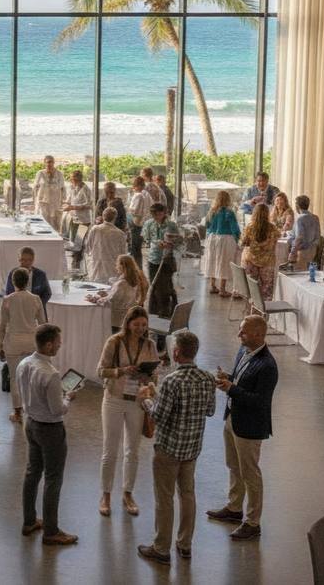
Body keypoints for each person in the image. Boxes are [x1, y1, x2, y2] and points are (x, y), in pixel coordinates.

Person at [135, 331, 217, 564]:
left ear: (176, 352)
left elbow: (159, 416)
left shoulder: (172, 381)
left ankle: (161, 548)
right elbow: (210, 410)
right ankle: (185, 544)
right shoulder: (207, 378)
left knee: (165, 498)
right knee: (188, 494)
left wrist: (146, 401)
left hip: (168, 449)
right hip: (192, 448)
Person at [208, 316, 278, 542]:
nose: (239, 336)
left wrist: (231, 388)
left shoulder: (268, 366)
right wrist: (227, 379)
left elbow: (260, 401)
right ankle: (235, 507)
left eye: (244, 333)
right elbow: (240, 380)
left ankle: (252, 522)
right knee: (233, 466)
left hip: (249, 425)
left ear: (259, 334)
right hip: (233, 418)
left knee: (250, 473)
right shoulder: (244, 351)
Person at [18, 324, 79, 546]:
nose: (60, 345)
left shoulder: (24, 363)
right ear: (49, 344)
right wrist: (68, 398)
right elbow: (57, 409)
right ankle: (51, 531)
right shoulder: (51, 374)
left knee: (32, 472)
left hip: (31, 423)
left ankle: (29, 520)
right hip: (50, 429)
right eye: (58, 342)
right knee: (53, 478)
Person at [97, 306, 160, 518]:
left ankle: (127, 493)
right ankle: (105, 495)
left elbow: (155, 377)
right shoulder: (114, 342)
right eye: (136, 325)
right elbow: (100, 371)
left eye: (144, 325)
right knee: (110, 450)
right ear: (128, 323)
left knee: (132, 450)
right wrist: (122, 371)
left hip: (137, 401)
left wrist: (148, 378)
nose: (140, 329)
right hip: (114, 399)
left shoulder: (150, 344)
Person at [1, 268, 47, 424]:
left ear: (13, 282)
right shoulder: (36, 299)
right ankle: (33, 410)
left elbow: (2, 325)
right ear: (28, 282)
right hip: (31, 342)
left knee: (15, 378)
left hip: (13, 342)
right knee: (32, 377)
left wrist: (0, 345)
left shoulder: (7, 300)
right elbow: (42, 324)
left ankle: (17, 413)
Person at [90, 255, 149, 334]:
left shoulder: (121, 283)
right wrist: (107, 293)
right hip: (131, 314)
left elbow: (111, 301)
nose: (116, 267)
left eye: (117, 264)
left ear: (122, 266)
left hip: (118, 319)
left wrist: (96, 298)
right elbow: (123, 296)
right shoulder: (138, 278)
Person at [143, 203, 182, 319]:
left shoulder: (171, 225)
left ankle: (166, 312)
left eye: (158, 213)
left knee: (164, 287)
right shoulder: (149, 224)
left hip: (167, 259)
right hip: (153, 259)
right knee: (154, 285)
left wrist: (171, 243)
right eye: (153, 214)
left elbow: (179, 241)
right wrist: (156, 242)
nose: (156, 216)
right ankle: (154, 312)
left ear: (164, 213)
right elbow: (146, 239)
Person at [203, 191, 241, 296]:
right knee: (224, 262)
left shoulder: (212, 211)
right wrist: (238, 239)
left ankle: (212, 286)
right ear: (228, 200)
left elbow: (206, 224)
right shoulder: (229, 212)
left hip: (212, 238)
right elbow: (235, 228)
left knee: (212, 261)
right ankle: (222, 289)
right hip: (225, 238)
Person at [240, 203, 278, 301]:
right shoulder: (272, 228)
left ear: (254, 213)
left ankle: (251, 311)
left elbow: (243, 243)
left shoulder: (249, 227)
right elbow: (273, 244)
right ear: (267, 214)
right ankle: (264, 312)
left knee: (251, 287)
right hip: (267, 262)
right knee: (267, 288)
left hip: (250, 260)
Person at [84, 207, 127, 284]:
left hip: (97, 268)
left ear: (103, 217)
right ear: (115, 218)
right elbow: (123, 255)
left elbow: (88, 248)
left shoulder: (95, 229)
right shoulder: (120, 234)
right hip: (112, 270)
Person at [288, 195, 321, 268]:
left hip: (302, 251)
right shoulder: (315, 217)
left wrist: (293, 252)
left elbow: (299, 237)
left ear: (297, 206)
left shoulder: (299, 219)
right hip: (313, 251)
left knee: (299, 274)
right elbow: (318, 236)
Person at [33, 155, 65, 229]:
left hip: (55, 203)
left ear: (54, 163)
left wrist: (63, 201)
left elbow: (62, 187)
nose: (49, 164)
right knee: (41, 223)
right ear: (44, 163)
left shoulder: (59, 174)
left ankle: (55, 240)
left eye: (51, 162)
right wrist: (35, 201)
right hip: (43, 203)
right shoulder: (40, 173)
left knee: (55, 224)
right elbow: (35, 187)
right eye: (47, 162)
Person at [127, 176, 152, 265]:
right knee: (137, 248)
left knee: (135, 248)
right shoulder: (143, 195)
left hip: (136, 223)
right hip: (140, 222)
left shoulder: (138, 196)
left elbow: (135, 210)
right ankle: (138, 268)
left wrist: (128, 209)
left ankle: (136, 268)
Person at [62, 169, 92, 239]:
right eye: (71, 179)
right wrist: (63, 203)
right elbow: (69, 200)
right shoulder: (72, 187)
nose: (71, 181)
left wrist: (73, 207)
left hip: (83, 219)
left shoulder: (85, 189)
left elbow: (89, 204)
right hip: (74, 217)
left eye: (73, 179)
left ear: (79, 179)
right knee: (72, 239)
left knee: (80, 241)